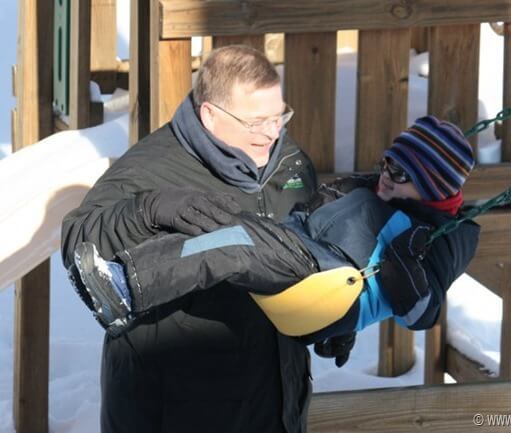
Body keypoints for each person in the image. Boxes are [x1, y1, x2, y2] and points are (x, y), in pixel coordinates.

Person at [72, 115, 480, 363]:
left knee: (232, 246)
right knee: (225, 225)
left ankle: (125, 287)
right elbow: (321, 213)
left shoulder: (440, 235)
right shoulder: (377, 189)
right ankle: (126, 271)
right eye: (387, 163)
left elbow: (423, 314)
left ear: (432, 186)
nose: (387, 176)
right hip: (306, 255)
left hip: (325, 276)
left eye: (402, 173)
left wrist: (401, 267)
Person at [61, 45, 321, 433]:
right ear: (210, 115)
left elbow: (307, 247)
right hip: (175, 407)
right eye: (256, 122)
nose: (272, 132)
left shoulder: (289, 161)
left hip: (275, 403)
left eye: (278, 116)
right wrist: (145, 211)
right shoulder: (152, 167)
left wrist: (335, 321)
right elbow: (79, 240)